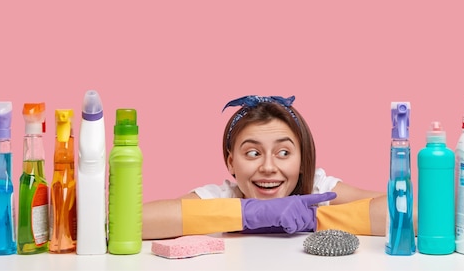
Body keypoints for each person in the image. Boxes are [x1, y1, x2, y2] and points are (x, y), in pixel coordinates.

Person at [142, 95, 388, 240]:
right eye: (252, 153)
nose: (268, 167)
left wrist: (315, 218)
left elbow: (413, 212)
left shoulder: (317, 190)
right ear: (231, 163)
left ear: (302, 161)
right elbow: (132, 222)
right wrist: (250, 214)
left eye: (283, 153)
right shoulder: (225, 196)